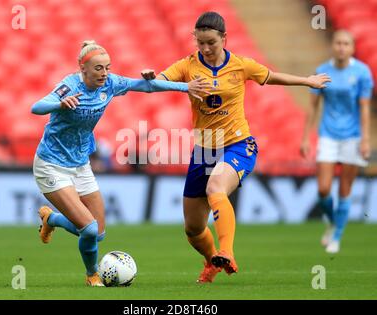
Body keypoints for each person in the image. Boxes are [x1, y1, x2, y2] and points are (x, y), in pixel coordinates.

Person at [141, 11, 331, 283]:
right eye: (200, 43)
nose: (205, 49)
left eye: (211, 43)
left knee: (215, 188)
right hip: (205, 149)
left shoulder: (242, 65)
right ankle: (211, 262)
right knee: (193, 229)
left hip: (238, 144)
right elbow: (159, 82)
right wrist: (153, 78)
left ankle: (226, 251)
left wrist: (307, 81)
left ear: (224, 39)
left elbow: (272, 76)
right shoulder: (188, 65)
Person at [31, 40, 211, 287]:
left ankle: (51, 219)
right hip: (51, 165)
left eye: (107, 67)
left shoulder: (111, 83)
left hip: (80, 164)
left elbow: (147, 86)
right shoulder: (68, 86)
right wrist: (59, 103)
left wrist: (185, 87)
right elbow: (36, 107)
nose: (104, 73)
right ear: (82, 69)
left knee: (99, 234)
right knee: (90, 230)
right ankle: (92, 276)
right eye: (98, 69)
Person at [300, 30, 374, 254]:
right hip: (328, 136)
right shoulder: (322, 72)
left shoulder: (362, 72)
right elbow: (313, 106)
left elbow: (364, 107)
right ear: (333, 45)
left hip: (352, 137)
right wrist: (305, 138)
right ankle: (332, 222)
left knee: (344, 189)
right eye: (338, 42)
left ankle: (337, 236)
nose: (341, 47)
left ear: (352, 48)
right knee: (323, 189)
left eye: (346, 43)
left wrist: (365, 139)